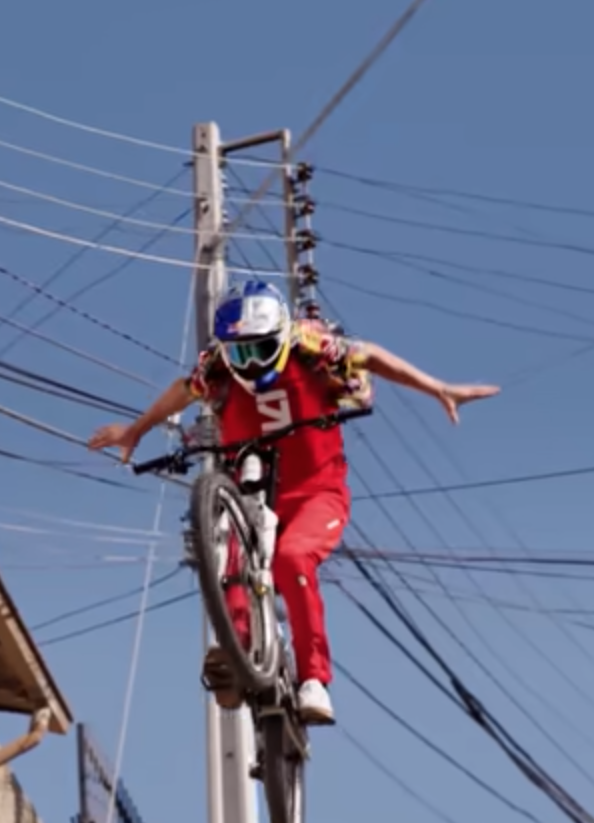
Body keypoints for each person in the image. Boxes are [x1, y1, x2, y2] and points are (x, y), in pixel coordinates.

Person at [87, 280, 499, 726]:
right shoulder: (217, 365)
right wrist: (136, 430)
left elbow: (372, 356)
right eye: (240, 353)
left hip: (317, 491)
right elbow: (182, 390)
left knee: (291, 557)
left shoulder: (310, 344)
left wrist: (437, 387)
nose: (251, 362)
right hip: (248, 488)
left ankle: (313, 679)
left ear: (281, 337)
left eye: (261, 348)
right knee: (227, 559)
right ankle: (238, 651)